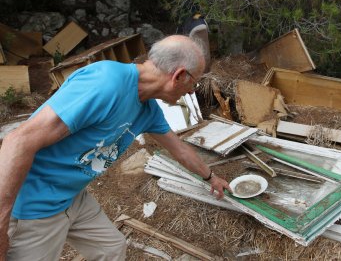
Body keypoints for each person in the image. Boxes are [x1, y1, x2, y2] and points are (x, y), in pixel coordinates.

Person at [0, 35, 231, 261]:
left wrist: (211, 177)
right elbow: (17, 141)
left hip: (72, 197)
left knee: (111, 249)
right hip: (35, 206)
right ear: (179, 75)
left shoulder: (147, 109)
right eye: (194, 82)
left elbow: (179, 150)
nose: (192, 91)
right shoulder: (105, 82)